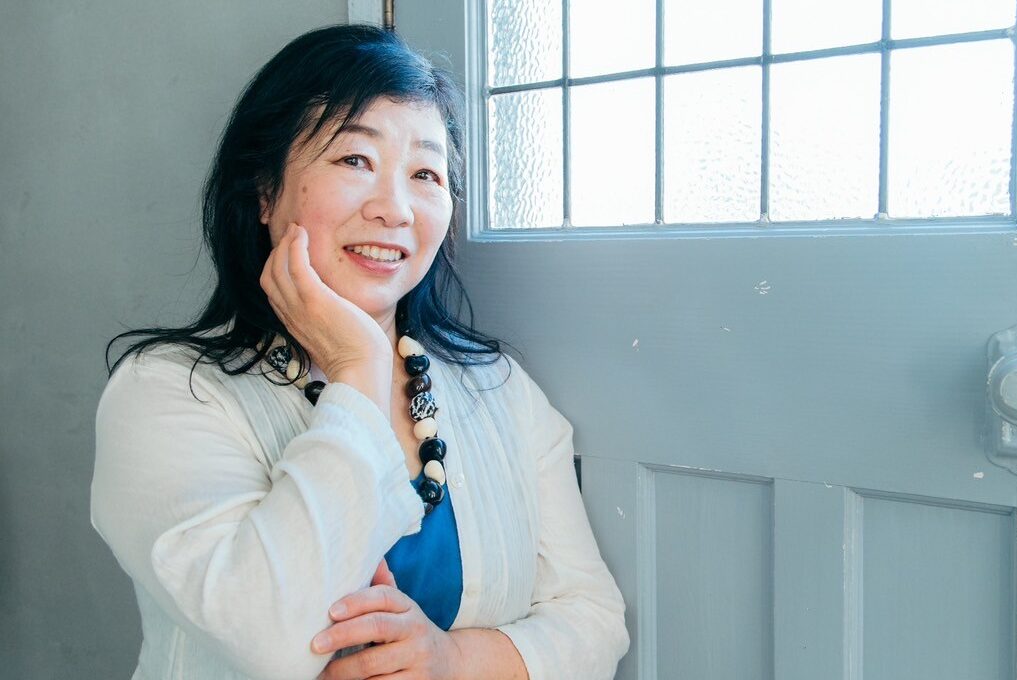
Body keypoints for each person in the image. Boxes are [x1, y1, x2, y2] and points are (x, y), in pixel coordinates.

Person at [90, 24, 628, 680]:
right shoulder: (166, 394)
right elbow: (274, 641)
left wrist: (449, 659)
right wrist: (358, 370)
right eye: (354, 160)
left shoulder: (497, 388)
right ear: (264, 191)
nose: (394, 209)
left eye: (425, 173)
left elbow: (594, 621)